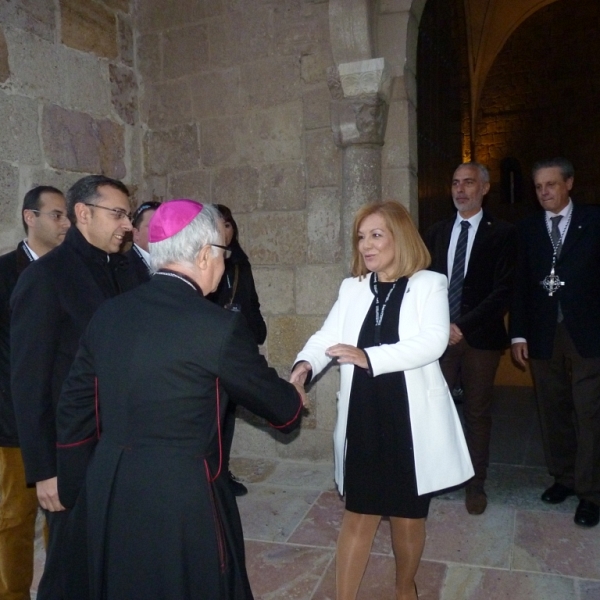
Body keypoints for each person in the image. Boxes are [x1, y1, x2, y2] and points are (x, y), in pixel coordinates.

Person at [55, 200, 307, 600]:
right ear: (205, 254)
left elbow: (75, 405)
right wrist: (293, 393)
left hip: (110, 482)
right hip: (182, 496)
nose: (224, 266)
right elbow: (283, 411)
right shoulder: (219, 326)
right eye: (222, 254)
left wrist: (74, 489)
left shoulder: (110, 314)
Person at [291, 201, 473, 600]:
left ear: (400, 237)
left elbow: (432, 342)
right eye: (361, 237)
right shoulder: (352, 288)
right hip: (364, 413)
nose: (366, 246)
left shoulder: (429, 283)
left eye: (376, 235)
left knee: (408, 517)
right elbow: (327, 336)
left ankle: (405, 588)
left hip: (410, 417)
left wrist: (369, 356)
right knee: (359, 513)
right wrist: (304, 365)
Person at [10, 175, 139, 599]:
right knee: (70, 569)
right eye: (117, 214)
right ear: (83, 213)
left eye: (129, 214)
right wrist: (44, 468)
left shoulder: (129, 268)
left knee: (118, 558)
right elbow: (29, 383)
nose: (128, 225)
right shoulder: (45, 278)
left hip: (124, 447)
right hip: (73, 451)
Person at [510, 158, 600, 528]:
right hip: (543, 334)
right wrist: (518, 333)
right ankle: (563, 477)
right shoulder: (528, 228)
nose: (544, 191)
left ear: (569, 184)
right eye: (538, 186)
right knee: (553, 409)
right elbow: (519, 284)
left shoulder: (594, 221)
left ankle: (591, 493)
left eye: (551, 184)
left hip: (588, 333)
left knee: (590, 413)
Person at [424, 162, 516, 515]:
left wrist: (461, 325)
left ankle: (475, 483)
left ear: (485, 188)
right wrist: (440, 325)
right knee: (435, 409)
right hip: (438, 337)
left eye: (468, 183)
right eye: (455, 183)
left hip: (480, 337)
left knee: (477, 412)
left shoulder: (503, 233)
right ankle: (435, 477)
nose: (460, 190)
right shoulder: (435, 231)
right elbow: (425, 284)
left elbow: (503, 290)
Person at [0, 186, 69, 600]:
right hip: (14, 422)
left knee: (62, 515)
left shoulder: (72, 270)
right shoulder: (4, 273)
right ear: (31, 217)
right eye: (57, 215)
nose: (65, 224)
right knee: (14, 517)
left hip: (66, 418)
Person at [208, 204, 267, 496]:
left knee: (228, 414)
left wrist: (257, 326)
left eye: (229, 224)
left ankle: (223, 471)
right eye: (220, 225)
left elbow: (251, 299)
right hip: (211, 345)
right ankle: (211, 475)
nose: (226, 231)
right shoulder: (205, 261)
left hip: (237, 341)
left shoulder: (240, 262)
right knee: (211, 416)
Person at [125, 200, 161, 283]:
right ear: (136, 234)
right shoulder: (121, 268)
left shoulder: (178, 263)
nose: (161, 231)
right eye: (153, 226)